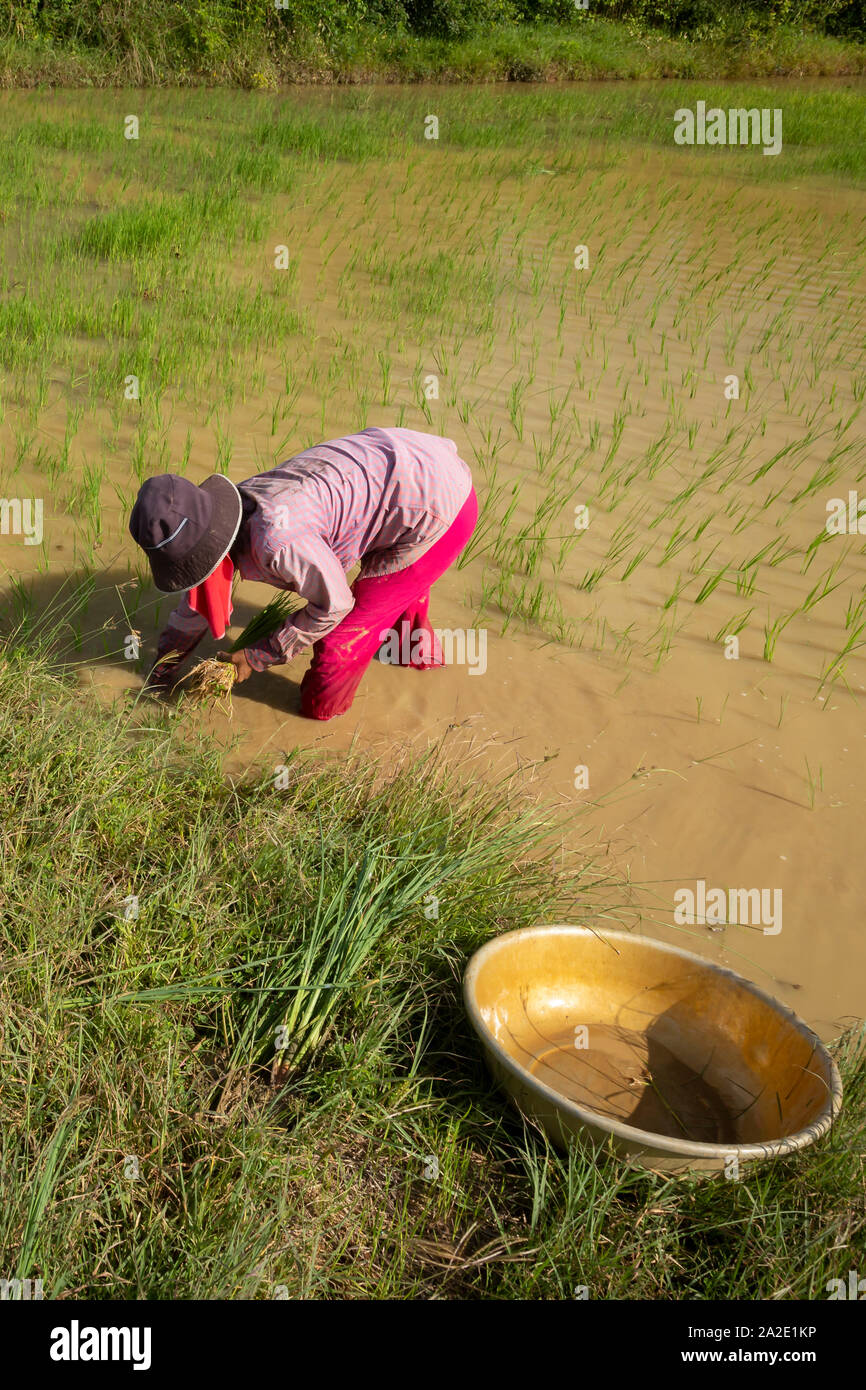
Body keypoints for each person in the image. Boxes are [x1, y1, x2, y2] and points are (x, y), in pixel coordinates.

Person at [128, 426, 477, 721]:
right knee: (389, 605)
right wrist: (162, 669)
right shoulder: (223, 513)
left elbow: (336, 605)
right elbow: (198, 602)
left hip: (439, 505)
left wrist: (255, 656)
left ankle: (328, 714)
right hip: (402, 469)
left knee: (335, 653)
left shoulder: (278, 542)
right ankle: (417, 655)